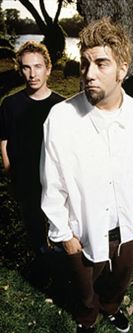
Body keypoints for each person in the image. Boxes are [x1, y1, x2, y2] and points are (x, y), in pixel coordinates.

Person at [40, 17, 133, 333]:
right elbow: (52, 183)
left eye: (101, 64)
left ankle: (110, 309)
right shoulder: (62, 118)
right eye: (85, 63)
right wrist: (64, 235)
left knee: (118, 280)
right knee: (83, 287)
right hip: (81, 229)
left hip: (125, 227)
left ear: (122, 69)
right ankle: (87, 318)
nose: (89, 74)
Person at [0, 41, 64, 265]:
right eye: (26, 67)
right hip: (24, 175)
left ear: (48, 69)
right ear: (20, 70)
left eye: (37, 67)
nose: (32, 74)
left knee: (56, 217)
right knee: (32, 217)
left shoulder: (61, 107)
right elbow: (4, 139)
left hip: (53, 175)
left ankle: (59, 251)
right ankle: (41, 253)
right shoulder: (10, 104)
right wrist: (9, 168)